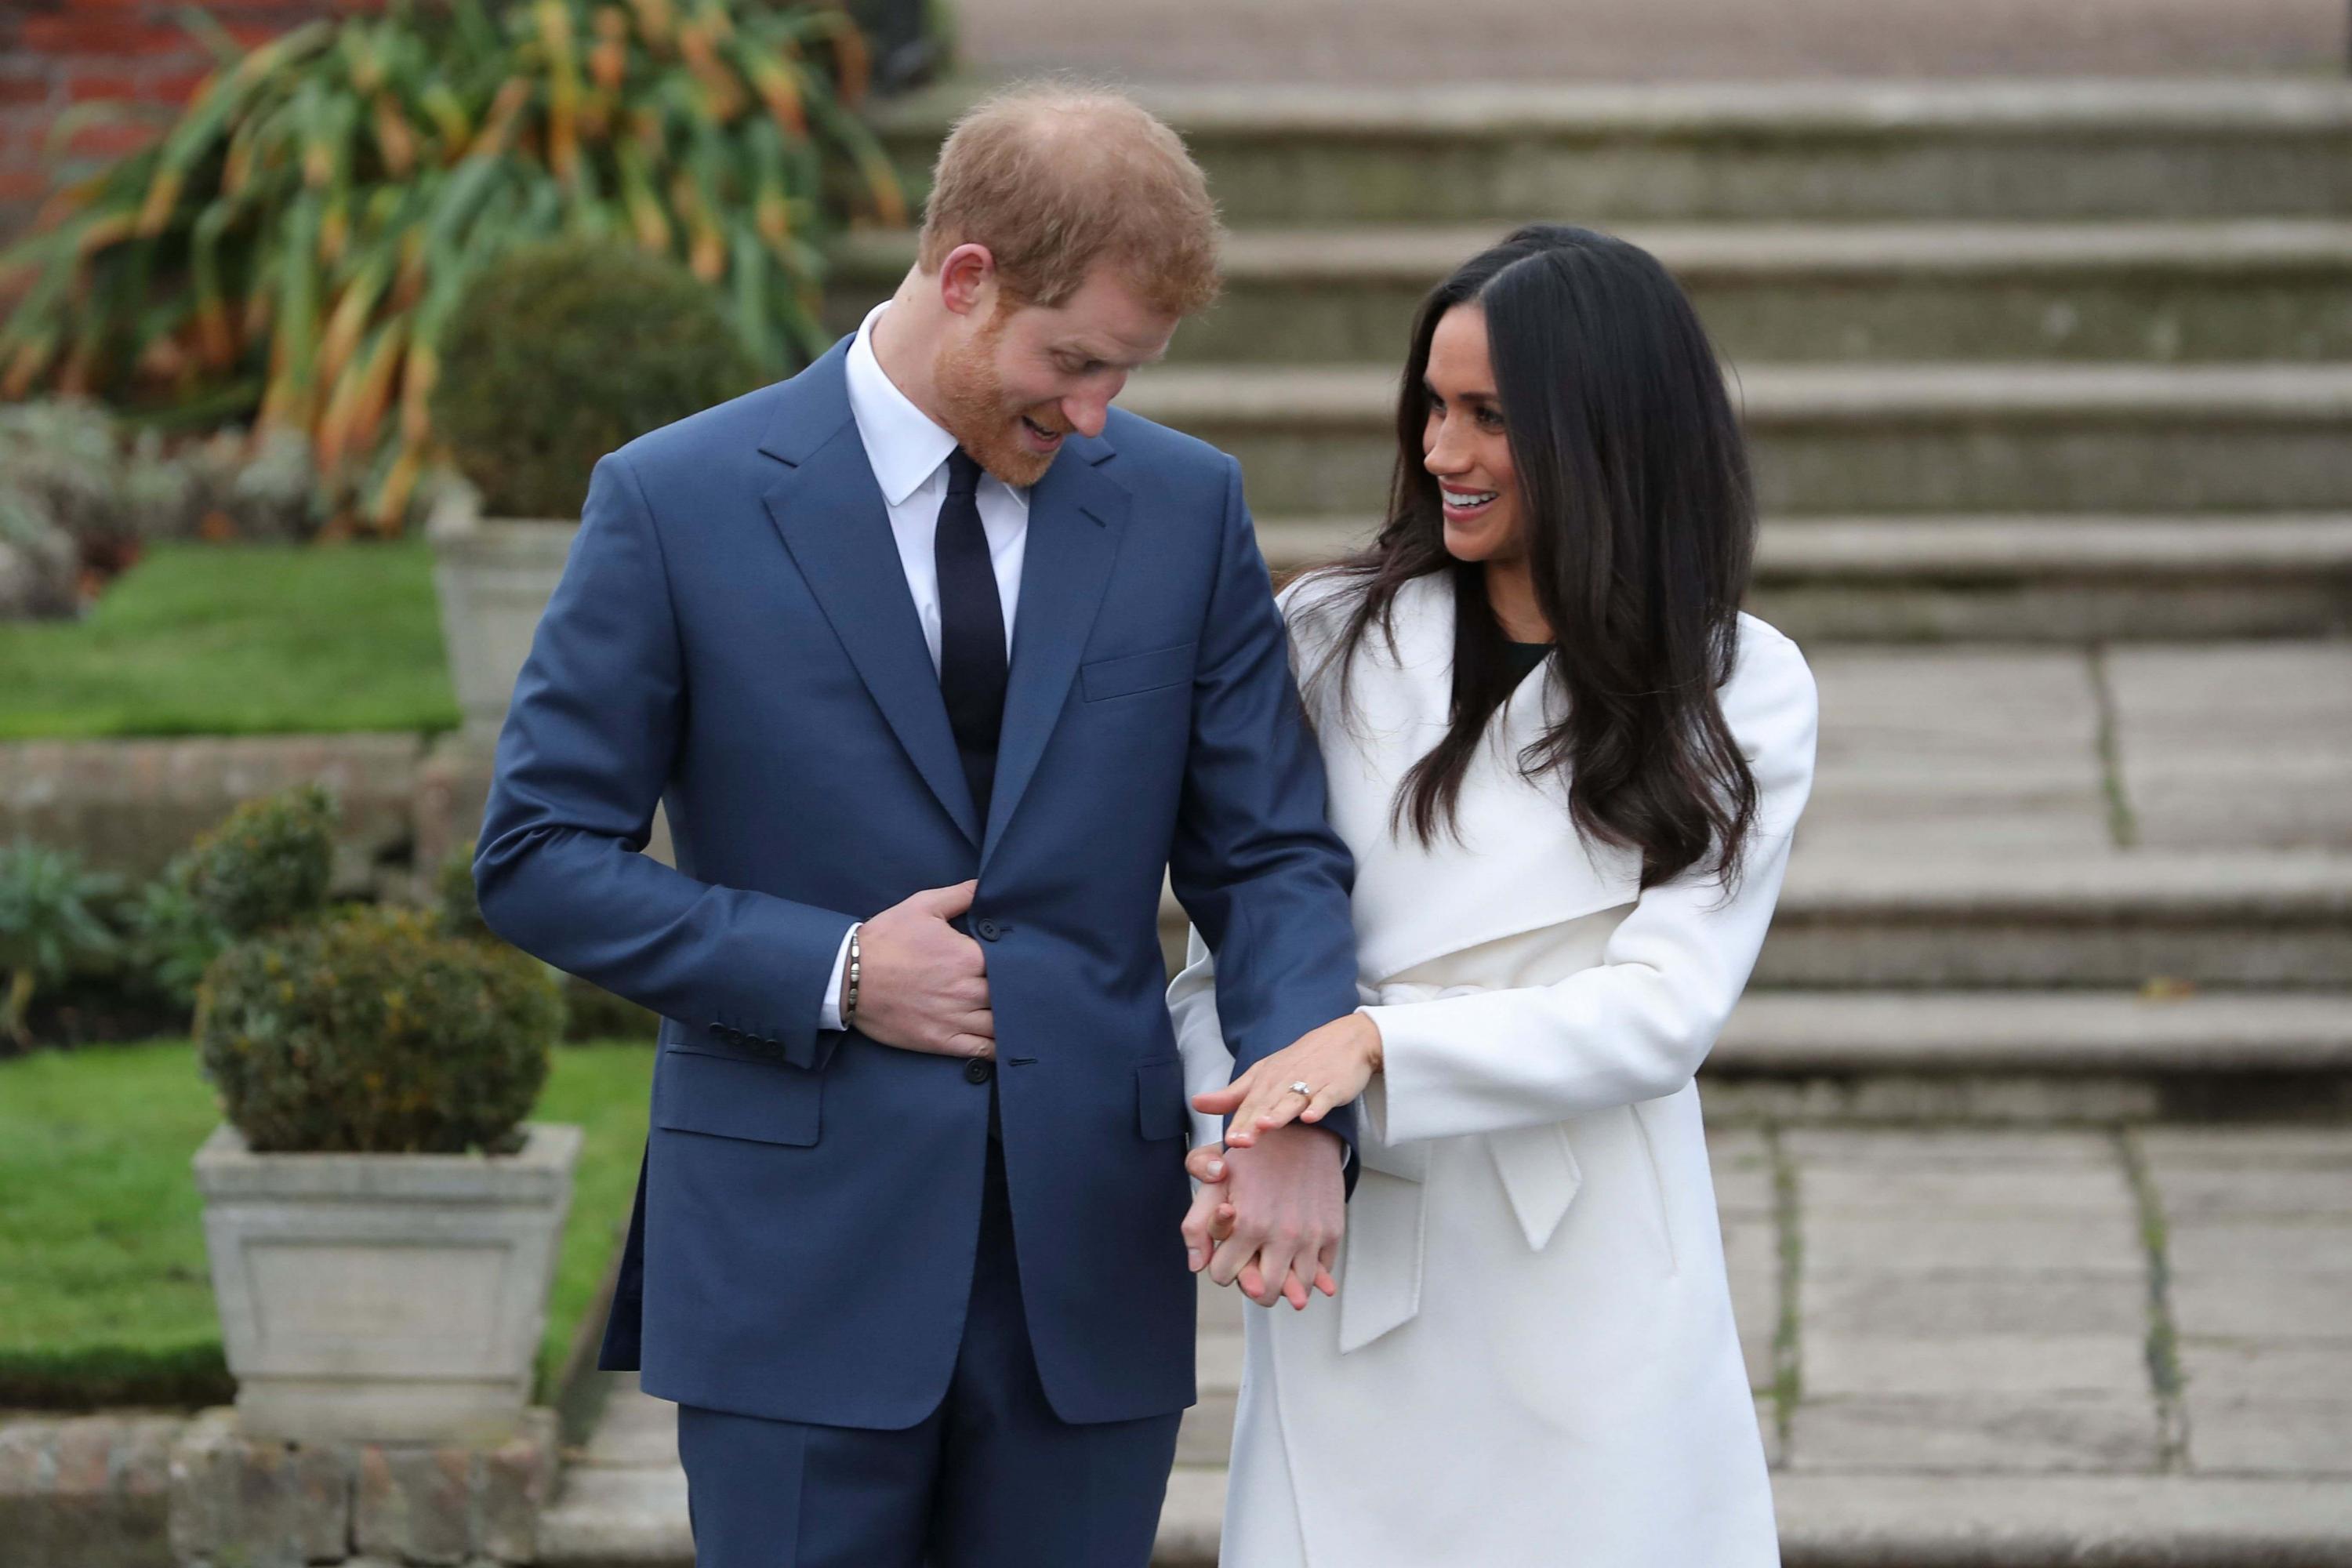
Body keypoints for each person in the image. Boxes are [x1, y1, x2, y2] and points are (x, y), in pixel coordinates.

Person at [472, 85, 1362, 1568]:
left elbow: (1267, 855)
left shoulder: (1185, 508)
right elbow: (537, 854)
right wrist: (831, 971)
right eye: (1072, 362)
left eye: (1124, 379)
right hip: (789, 1260)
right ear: (964, 278)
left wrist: (1295, 1106)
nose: (1094, 416)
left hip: (1088, 1264)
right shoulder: (675, 500)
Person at [1169, 223, 1819, 1566]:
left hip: (1582, 1261)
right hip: (1349, 1244)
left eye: (1490, 418)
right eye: (1432, 407)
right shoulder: (1327, 635)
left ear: (1608, 437)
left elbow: (1662, 1013)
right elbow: (1224, 952)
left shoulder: (1736, 682)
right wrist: (1256, 1127)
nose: (1440, 454)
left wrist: (1371, 1049)